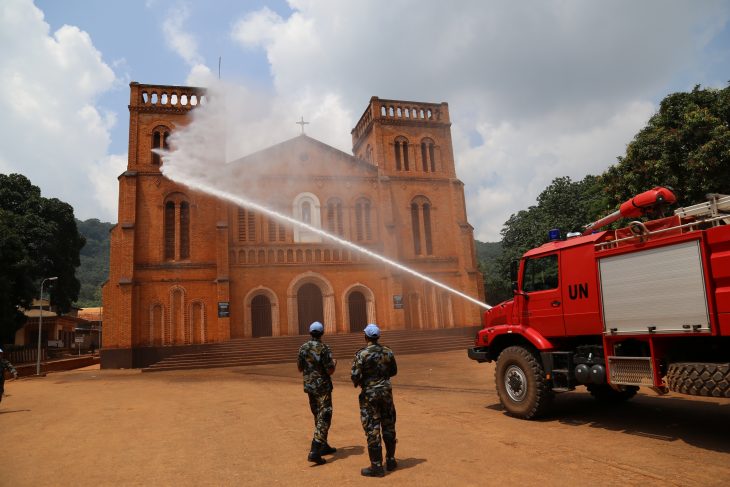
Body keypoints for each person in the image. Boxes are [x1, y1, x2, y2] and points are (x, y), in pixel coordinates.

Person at [351, 323, 398, 477]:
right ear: (378, 336)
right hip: (386, 393)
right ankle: (390, 460)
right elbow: (393, 371)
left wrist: (361, 381)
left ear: (366, 336)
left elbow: (355, 376)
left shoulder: (361, 354)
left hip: (369, 395)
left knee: (372, 428)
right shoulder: (388, 351)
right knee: (388, 425)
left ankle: (377, 466)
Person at [297, 321, 337, 465]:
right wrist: (334, 364)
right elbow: (330, 370)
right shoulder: (324, 348)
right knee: (325, 414)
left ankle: (323, 445)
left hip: (310, 386)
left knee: (317, 414)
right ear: (322, 333)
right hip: (322, 387)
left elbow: (300, 369)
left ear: (310, 333)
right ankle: (315, 449)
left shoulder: (303, 348)